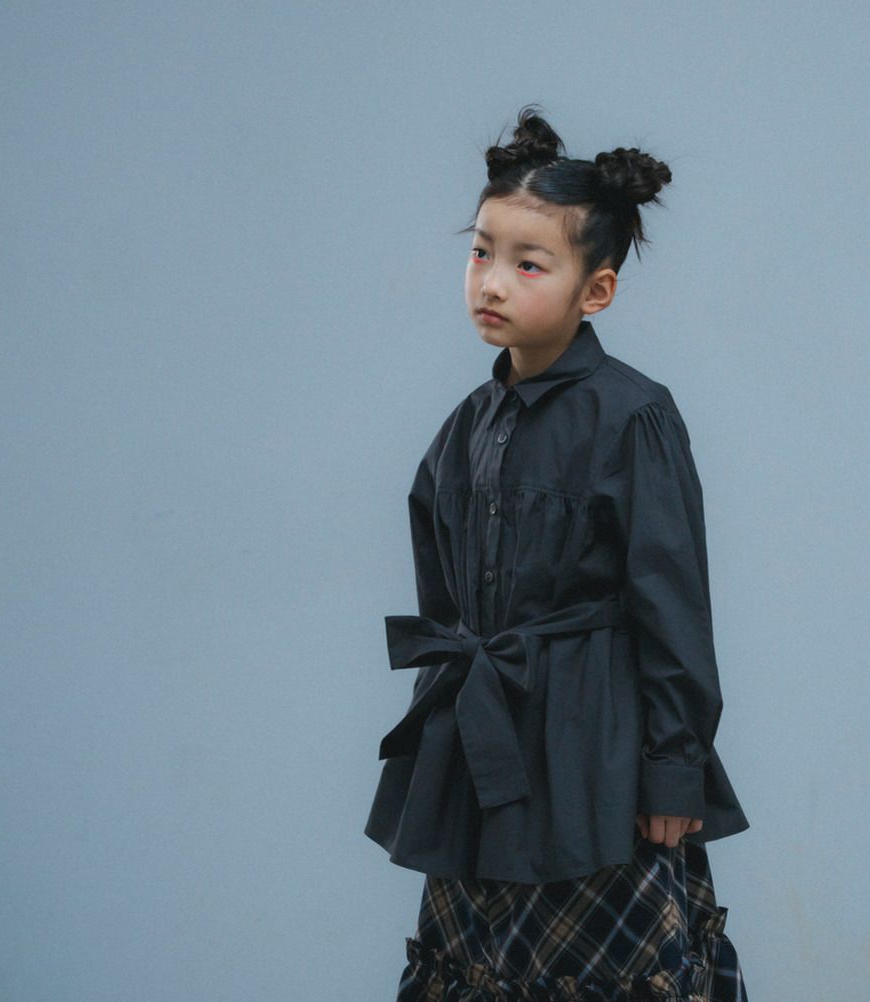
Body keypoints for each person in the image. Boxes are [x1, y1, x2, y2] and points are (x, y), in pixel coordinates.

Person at [364, 104, 751, 1001]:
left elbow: (673, 606)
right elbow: (444, 602)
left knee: (605, 969)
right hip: (485, 748)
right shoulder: (465, 426)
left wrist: (673, 770)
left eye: (527, 263)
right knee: (483, 964)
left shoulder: (633, 416)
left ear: (596, 291)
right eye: (481, 253)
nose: (492, 282)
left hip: (594, 756)